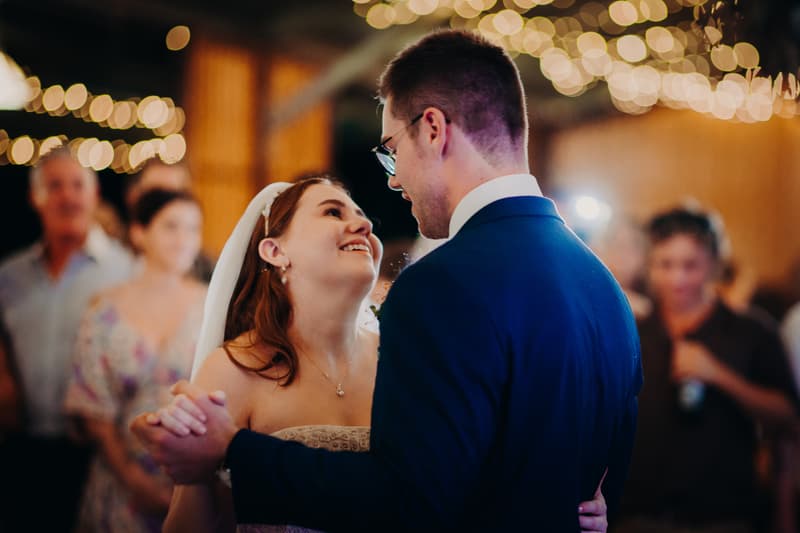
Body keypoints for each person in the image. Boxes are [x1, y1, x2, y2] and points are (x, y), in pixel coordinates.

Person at [133, 29, 641, 531]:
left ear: (435, 129)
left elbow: (410, 499)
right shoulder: (607, 293)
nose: (394, 179)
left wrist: (233, 451)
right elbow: (593, 488)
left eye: (392, 148)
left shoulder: (440, 287)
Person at [617, 206, 799, 533]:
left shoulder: (752, 332)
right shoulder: (633, 332)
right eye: (665, 265)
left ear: (715, 264)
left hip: (722, 518)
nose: (678, 278)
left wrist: (718, 374)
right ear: (650, 265)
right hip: (637, 517)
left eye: (691, 266)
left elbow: (786, 416)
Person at [0, 147, 134, 532]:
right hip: (21, 450)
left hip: (98, 454)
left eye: (78, 185)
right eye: (55, 186)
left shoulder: (125, 271)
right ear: (35, 198)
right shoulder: (9, 277)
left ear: (94, 196)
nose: (68, 196)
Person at [64, 189, 206, 532]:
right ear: (139, 233)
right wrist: (133, 480)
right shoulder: (104, 309)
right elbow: (93, 409)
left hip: (193, 483)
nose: (184, 239)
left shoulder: (213, 305)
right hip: (120, 478)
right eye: (171, 226)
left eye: (193, 228)